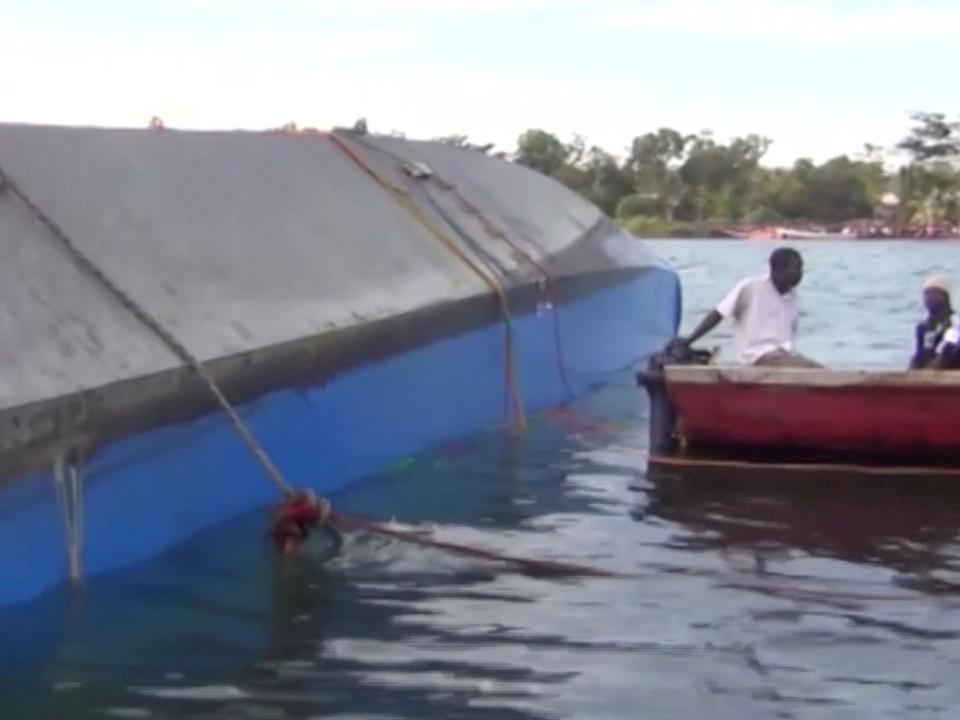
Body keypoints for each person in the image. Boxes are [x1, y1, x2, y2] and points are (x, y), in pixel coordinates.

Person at [673, 247, 819, 367]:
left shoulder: (793, 298)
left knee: (819, 371)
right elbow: (718, 314)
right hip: (758, 356)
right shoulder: (751, 287)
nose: (800, 274)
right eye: (795, 268)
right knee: (811, 371)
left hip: (785, 356)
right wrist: (689, 341)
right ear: (777, 269)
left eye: (801, 269)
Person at [910, 275, 958, 369]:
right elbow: (918, 357)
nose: (927, 299)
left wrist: (926, 376)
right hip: (926, 377)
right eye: (925, 294)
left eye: (932, 294)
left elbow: (947, 354)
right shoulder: (923, 327)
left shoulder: (956, 323)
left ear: (944, 297)